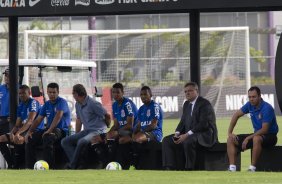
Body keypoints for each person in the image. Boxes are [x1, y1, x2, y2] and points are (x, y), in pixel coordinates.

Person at [162, 82, 218, 170]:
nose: (187, 93)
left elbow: (204, 124)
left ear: (197, 91)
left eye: (190, 91)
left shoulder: (204, 104)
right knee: (167, 140)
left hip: (205, 135)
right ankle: (169, 167)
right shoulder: (186, 104)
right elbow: (183, 121)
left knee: (188, 140)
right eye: (185, 91)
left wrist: (187, 134)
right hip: (190, 134)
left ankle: (189, 168)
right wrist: (177, 133)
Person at [227, 86, 279, 172]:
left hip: (270, 136)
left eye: (254, 97)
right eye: (250, 97)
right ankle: (232, 168)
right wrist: (229, 132)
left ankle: (252, 168)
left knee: (256, 138)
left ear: (259, 96)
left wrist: (248, 138)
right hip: (256, 135)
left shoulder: (267, 108)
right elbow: (236, 115)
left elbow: (264, 130)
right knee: (230, 140)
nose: (251, 99)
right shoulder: (249, 105)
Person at [61, 84, 111, 169]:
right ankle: (78, 164)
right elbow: (79, 120)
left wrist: (106, 128)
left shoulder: (93, 103)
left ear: (76, 94)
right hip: (87, 131)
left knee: (81, 141)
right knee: (65, 142)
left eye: (73, 93)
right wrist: (76, 134)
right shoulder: (77, 104)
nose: (73, 95)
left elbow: (107, 115)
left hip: (97, 130)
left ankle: (72, 166)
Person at [25, 82, 71, 169]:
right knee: (30, 139)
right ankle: (29, 167)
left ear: (58, 92)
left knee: (47, 137)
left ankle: (48, 167)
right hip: (50, 129)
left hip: (61, 130)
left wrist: (49, 130)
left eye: (54, 92)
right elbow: (38, 119)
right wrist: (29, 132)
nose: (52, 94)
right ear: (47, 92)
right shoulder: (47, 104)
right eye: (50, 92)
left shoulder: (62, 102)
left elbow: (58, 116)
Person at [0, 85, 44, 169]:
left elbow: (30, 121)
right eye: (20, 93)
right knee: (1, 139)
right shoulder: (20, 105)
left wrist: (18, 133)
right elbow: (17, 124)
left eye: (24, 93)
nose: (21, 95)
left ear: (29, 93)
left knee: (18, 139)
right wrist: (12, 133)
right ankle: (11, 163)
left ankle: (18, 165)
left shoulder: (33, 102)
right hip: (22, 131)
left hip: (34, 131)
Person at [106, 82, 138, 169]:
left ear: (122, 93)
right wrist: (108, 133)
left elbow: (130, 125)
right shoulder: (114, 105)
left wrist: (116, 132)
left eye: (118, 92)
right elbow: (116, 124)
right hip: (123, 130)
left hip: (133, 131)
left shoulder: (127, 104)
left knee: (117, 137)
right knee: (108, 136)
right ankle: (110, 161)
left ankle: (122, 163)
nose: (115, 94)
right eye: (113, 92)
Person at [0, 68, 10, 135]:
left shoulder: (19, 89)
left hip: (10, 119)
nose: (6, 77)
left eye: (9, 76)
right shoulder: (1, 88)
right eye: (6, 75)